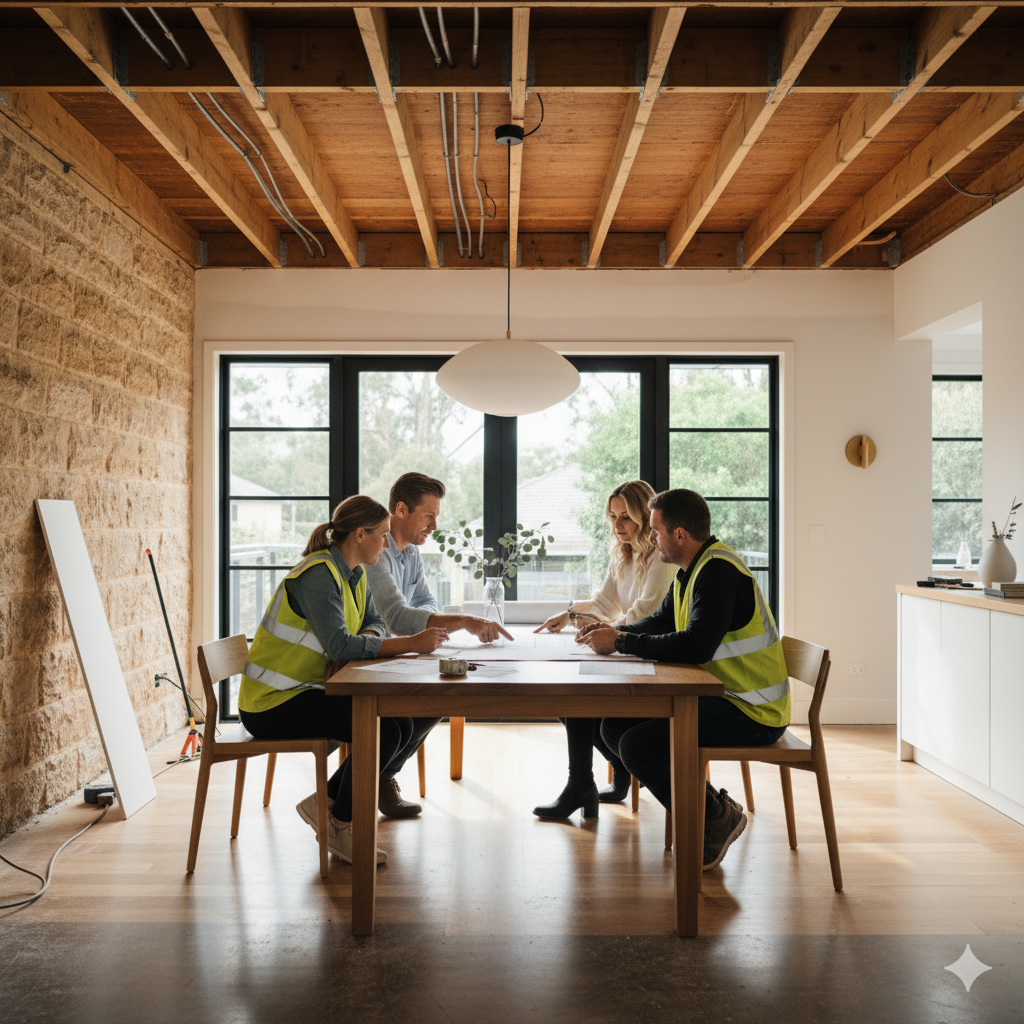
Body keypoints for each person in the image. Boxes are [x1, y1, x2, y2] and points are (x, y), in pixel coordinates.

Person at [576, 488, 790, 871]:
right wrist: (612, 633)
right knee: (613, 728)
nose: (651, 538)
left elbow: (696, 646)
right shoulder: (694, 569)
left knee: (640, 747)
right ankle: (717, 810)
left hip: (752, 710)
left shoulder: (719, 572)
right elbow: (660, 621)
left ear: (679, 535)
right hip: (722, 697)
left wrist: (623, 641)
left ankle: (714, 820)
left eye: (655, 531)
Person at [237, 495, 449, 866]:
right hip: (272, 703)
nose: (386, 545)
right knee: (385, 730)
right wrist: (409, 644)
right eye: (382, 536)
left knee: (399, 722)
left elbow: (375, 622)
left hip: (306, 692)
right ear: (360, 534)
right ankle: (338, 822)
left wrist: (357, 646)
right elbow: (338, 642)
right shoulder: (318, 575)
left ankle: (326, 803)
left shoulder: (353, 573)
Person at [364, 471, 513, 817]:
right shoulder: (377, 552)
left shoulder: (411, 553)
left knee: (436, 701)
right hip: (370, 658)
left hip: (399, 653)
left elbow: (426, 601)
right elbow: (397, 618)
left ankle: (383, 776)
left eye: (436, 517)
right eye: (429, 515)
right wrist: (461, 622)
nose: (433, 525)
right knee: (424, 703)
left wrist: (431, 626)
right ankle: (375, 781)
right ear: (401, 510)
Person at [532, 480, 678, 819]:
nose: (618, 526)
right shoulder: (623, 554)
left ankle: (585, 783)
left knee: (578, 700)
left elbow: (645, 613)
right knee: (566, 699)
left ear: (645, 517)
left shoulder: (662, 554)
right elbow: (605, 602)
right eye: (612, 517)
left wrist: (606, 631)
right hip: (628, 650)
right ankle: (600, 777)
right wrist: (568, 615)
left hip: (651, 656)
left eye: (626, 517)